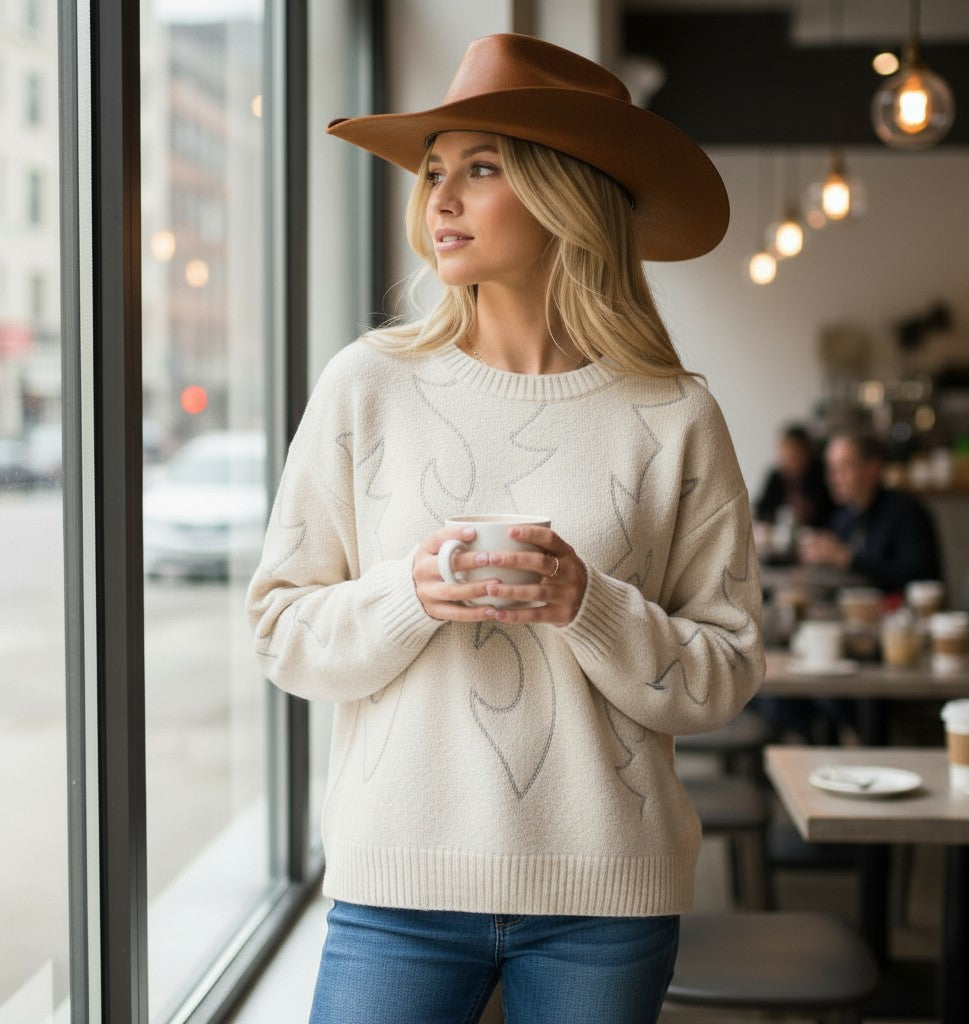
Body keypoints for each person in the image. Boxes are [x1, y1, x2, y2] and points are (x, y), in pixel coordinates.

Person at [246, 34, 764, 1024]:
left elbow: (725, 671)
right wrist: (410, 594)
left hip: (603, 895)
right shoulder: (368, 384)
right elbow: (280, 626)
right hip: (395, 886)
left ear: (568, 191)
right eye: (434, 170)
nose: (438, 199)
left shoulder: (672, 413)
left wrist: (589, 605)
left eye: (480, 168)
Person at [799, 431, 942, 594]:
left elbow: (917, 577)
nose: (833, 479)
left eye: (843, 468)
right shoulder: (844, 517)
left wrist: (846, 558)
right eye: (831, 469)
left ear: (872, 468)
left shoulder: (905, 513)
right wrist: (819, 559)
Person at [754, 423, 834, 530]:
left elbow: (829, 512)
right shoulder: (776, 476)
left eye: (792, 456)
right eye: (783, 457)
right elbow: (762, 508)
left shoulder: (822, 474)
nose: (786, 463)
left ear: (806, 452)